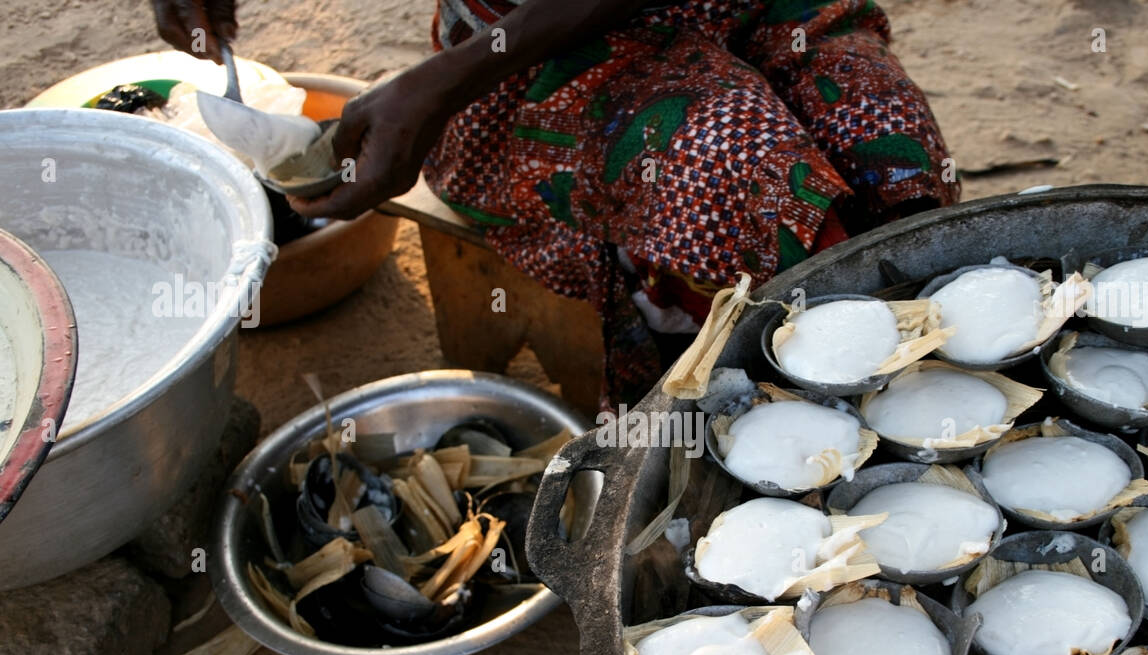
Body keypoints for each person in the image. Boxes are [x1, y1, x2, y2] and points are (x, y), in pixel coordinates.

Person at [154, 0, 959, 410]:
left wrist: (437, 86)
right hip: (523, 57)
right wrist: (451, 82)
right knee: (744, 180)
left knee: (892, 156)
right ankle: (739, 424)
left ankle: (869, 419)